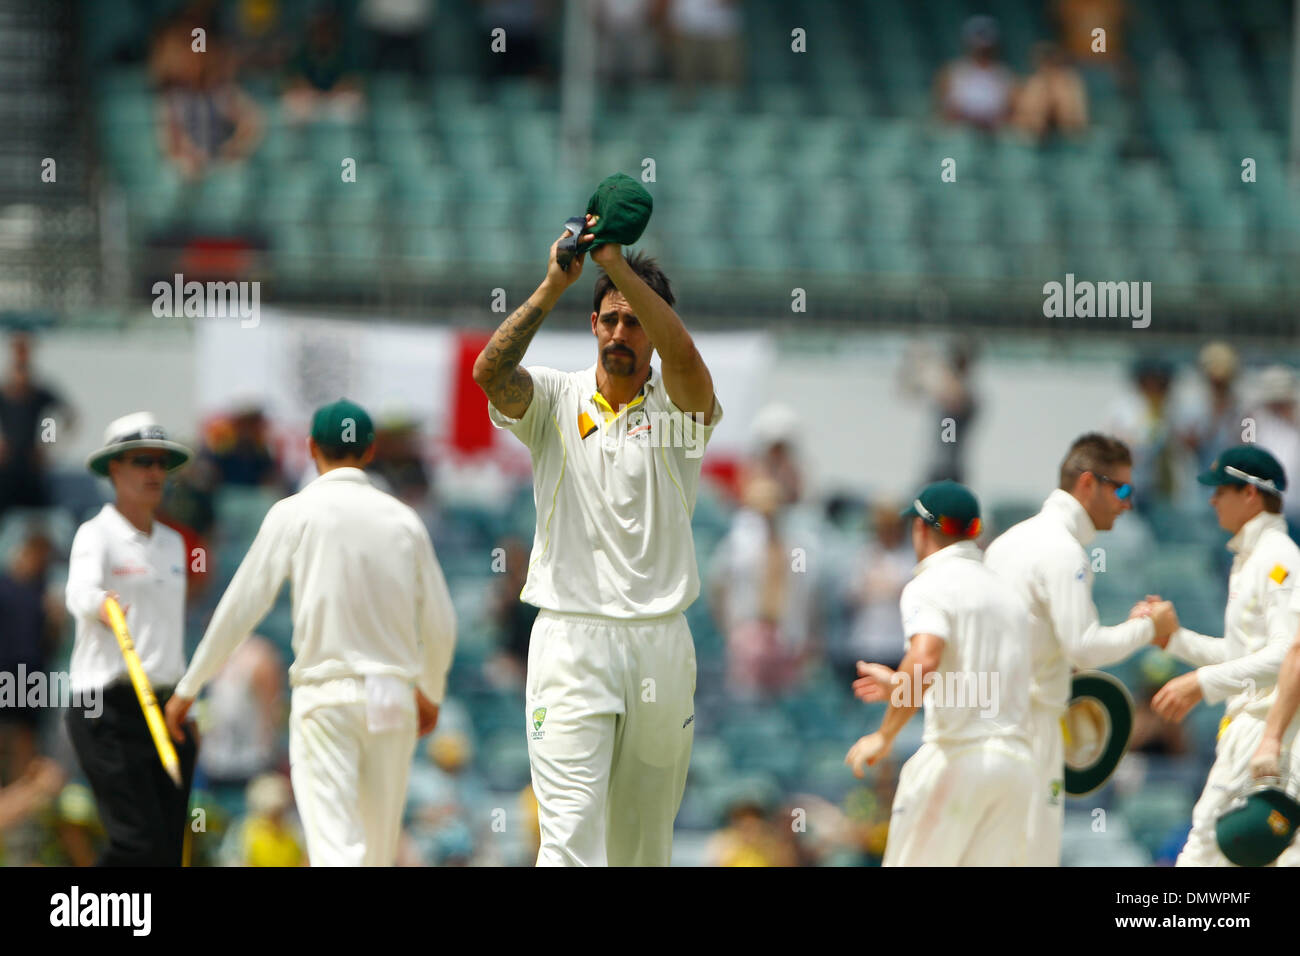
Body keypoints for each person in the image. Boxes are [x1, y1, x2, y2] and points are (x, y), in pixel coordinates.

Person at [472, 217, 722, 866]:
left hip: (660, 642)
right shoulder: (555, 398)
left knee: (642, 850)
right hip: (571, 638)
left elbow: (688, 361)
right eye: (607, 319)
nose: (619, 332)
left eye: (633, 319)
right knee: (570, 840)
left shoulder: (679, 412)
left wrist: (621, 270)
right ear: (591, 325)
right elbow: (489, 374)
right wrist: (558, 282)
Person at [164, 399, 457, 867]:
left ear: (310, 447)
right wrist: (431, 691)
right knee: (377, 856)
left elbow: (240, 607)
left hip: (327, 698)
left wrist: (189, 687)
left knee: (336, 851)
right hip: (392, 699)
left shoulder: (294, 512)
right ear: (370, 450)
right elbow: (441, 625)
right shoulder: (405, 521)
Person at [983, 433, 1178, 866]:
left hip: (991, 723)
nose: (1127, 503)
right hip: (1029, 728)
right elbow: (1085, 647)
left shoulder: (1007, 542)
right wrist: (1149, 627)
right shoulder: (1063, 551)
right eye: (1122, 489)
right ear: (1088, 484)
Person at [844, 480, 1034, 866]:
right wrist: (899, 685)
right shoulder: (1009, 594)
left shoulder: (929, 583)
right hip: (1016, 766)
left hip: (958, 762)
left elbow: (926, 659)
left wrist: (884, 735)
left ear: (919, 528)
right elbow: (980, 685)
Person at [1150, 446, 1300, 866]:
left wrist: (1201, 683)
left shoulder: (1277, 558)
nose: (1212, 500)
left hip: (1268, 727)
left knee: (1204, 851)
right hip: (1252, 726)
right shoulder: (1251, 558)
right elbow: (1244, 655)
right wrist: (1174, 640)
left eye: (1221, 491)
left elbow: (1289, 653)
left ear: (1250, 494)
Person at [64, 412, 199, 866]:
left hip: (166, 707)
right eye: (143, 461)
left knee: (165, 847)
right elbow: (79, 592)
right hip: (108, 706)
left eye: (161, 463)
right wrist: (102, 604)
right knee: (137, 843)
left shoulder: (174, 544)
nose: (155, 473)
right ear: (115, 469)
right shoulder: (96, 534)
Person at [0, 333, 76, 520]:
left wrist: (48, 443)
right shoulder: (4, 391)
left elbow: (68, 417)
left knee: (38, 521)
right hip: (5, 470)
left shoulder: (40, 393)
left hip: (32, 469)